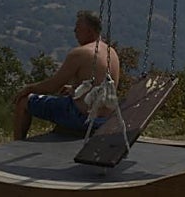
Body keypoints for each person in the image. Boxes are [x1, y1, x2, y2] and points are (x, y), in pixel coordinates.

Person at [11, 9, 121, 140]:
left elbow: (52, 86)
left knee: (23, 101)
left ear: (89, 31)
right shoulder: (111, 52)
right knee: (65, 96)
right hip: (105, 118)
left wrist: (28, 89)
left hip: (81, 117)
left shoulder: (81, 53)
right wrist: (75, 90)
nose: (75, 31)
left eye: (78, 28)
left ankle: (17, 143)